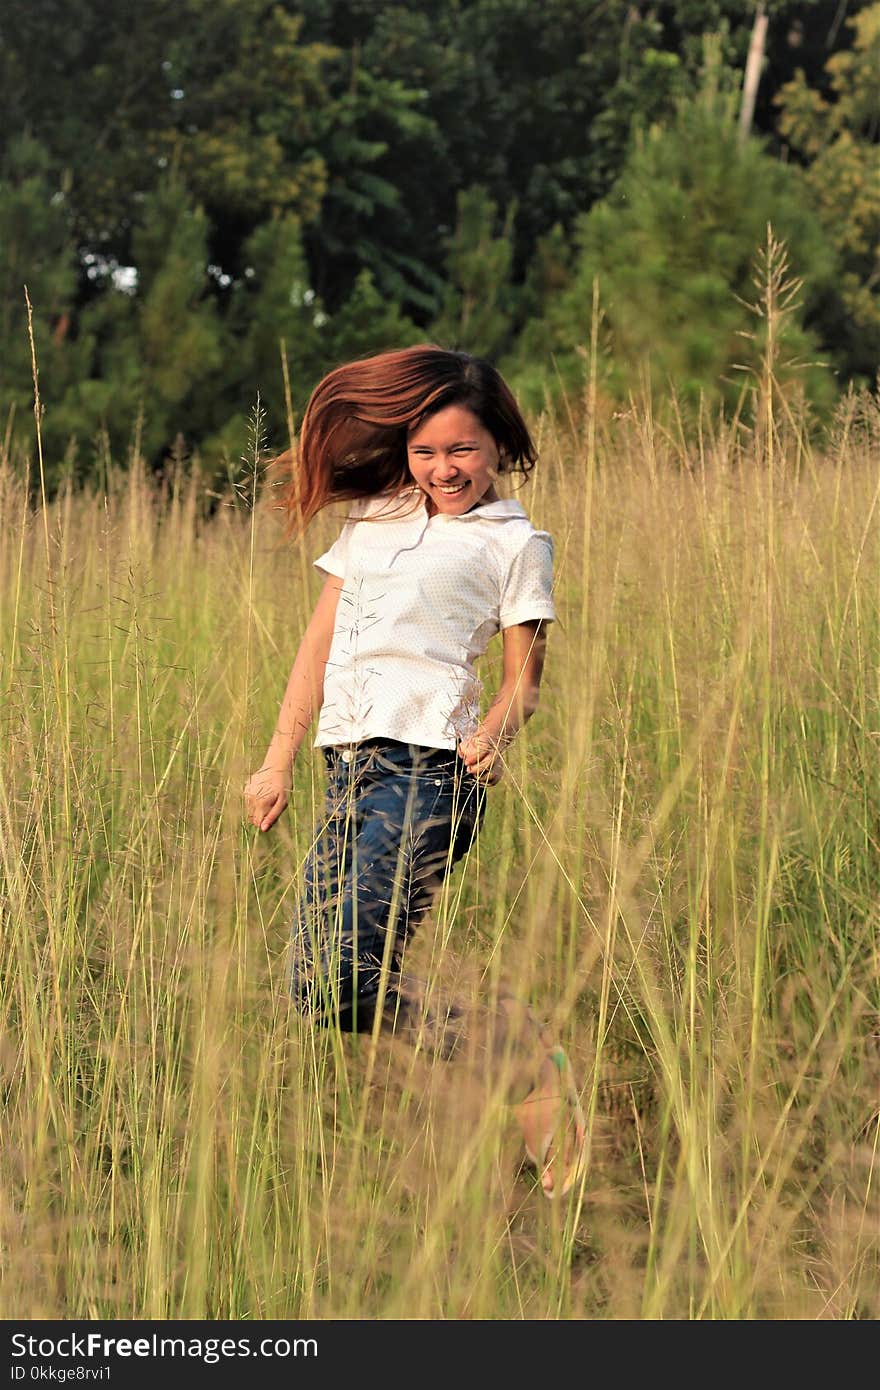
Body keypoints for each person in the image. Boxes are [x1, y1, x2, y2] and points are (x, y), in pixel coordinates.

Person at [243, 344, 586, 1198]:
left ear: (497, 445)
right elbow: (318, 646)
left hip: (433, 773)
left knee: (351, 970)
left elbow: (523, 684)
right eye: (427, 451)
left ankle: (527, 1071)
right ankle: (504, 1046)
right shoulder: (377, 521)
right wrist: (276, 759)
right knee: (313, 988)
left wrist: (496, 736)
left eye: (462, 450)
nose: (444, 468)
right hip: (348, 769)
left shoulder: (516, 543)